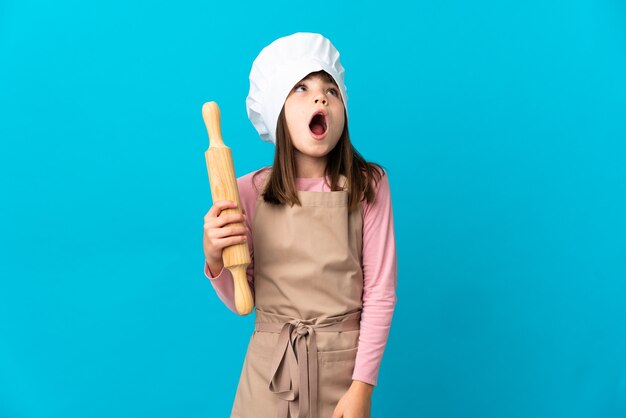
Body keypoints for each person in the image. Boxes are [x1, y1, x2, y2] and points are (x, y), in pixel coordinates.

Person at [202, 32, 397, 418]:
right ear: (277, 112)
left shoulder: (368, 185)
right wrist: (215, 258)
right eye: (302, 88)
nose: (320, 97)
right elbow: (243, 299)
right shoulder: (246, 191)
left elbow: (380, 293)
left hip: (342, 373)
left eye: (331, 90)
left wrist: (362, 388)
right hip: (270, 373)